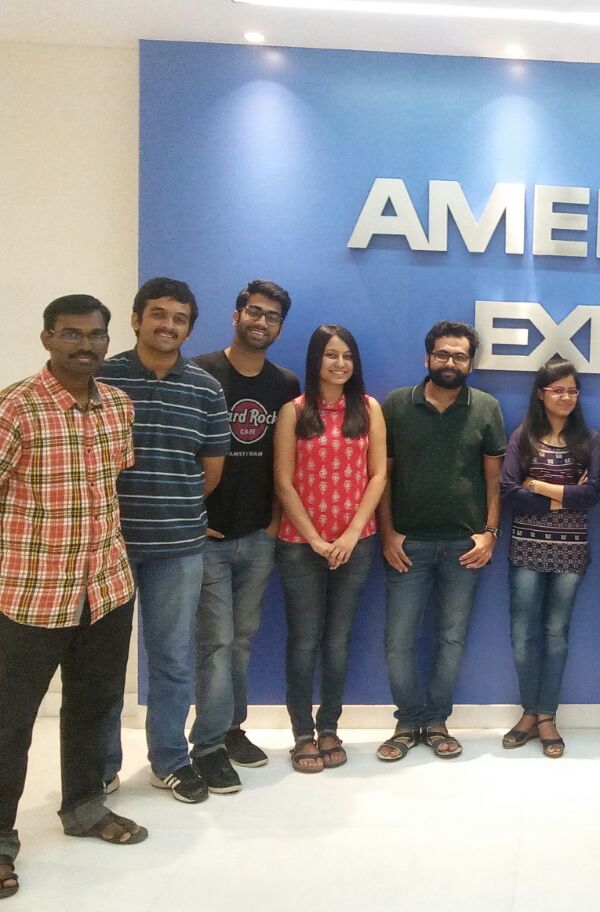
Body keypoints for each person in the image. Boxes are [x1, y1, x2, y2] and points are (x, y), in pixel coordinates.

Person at [0, 295, 148, 902]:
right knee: (9, 722)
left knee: (93, 706)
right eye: (71, 334)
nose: (85, 345)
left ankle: (85, 808)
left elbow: (110, 486)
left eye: (95, 335)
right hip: (31, 594)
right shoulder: (15, 407)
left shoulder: (118, 405)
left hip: (106, 588)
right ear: (47, 338)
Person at [99, 277, 230, 804]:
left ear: (189, 329)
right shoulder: (102, 378)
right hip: (105, 547)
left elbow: (210, 471)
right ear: (136, 319)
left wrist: (173, 506)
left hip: (178, 549)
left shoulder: (205, 389)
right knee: (104, 663)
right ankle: (99, 766)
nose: (167, 325)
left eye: (179, 319)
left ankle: (170, 760)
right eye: (158, 314)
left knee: (173, 658)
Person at [377, 320, 505, 762]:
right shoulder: (397, 405)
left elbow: (494, 482)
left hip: (463, 549)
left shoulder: (486, 407)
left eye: (460, 356)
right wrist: (388, 534)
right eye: (443, 354)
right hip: (406, 545)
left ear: (470, 363)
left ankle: (436, 721)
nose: (451, 362)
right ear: (427, 357)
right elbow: (383, 477)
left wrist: (489, 534)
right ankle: (407, 720)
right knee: (398, 641)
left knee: (451, 640)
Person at [190, 280, 299, 784]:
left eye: (272, 316)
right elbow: (182, 453)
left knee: (241, 640)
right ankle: (207, 745)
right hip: (207, 536)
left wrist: (274, 523)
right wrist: (194, 518)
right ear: (236, 316)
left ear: (279, 328)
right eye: (254, 312)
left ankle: (231, 728)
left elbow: (286, 463)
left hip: (259, 534)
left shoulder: (285, 385)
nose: (262, 322)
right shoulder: (201, 372)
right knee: (215, 642)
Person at [274, 325, 387, 773]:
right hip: (300, 545)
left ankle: (329, 728)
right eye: (330, 355)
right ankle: (302, 734)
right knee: (304, 641)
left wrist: (351, 533)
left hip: (354, 545)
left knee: (337, 640)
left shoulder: (369, 409)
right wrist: (317, 539)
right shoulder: (294, 411)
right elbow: (284, 482)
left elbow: (378, 475)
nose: (340, 364)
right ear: (315, 360)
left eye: (347, 356)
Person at [498, 356, 600, 758]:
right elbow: (509, 493)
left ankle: (547, 716)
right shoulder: (523, 437)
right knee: (523, 636)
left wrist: (539, 486)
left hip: (570, 551)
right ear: (541, 393)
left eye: (572, 390)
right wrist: (564, 498)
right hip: (526, 547)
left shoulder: (588, 440)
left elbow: (591, 494)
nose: (565, 397)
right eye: (557, 390)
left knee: (556, 634)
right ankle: (529, 712)